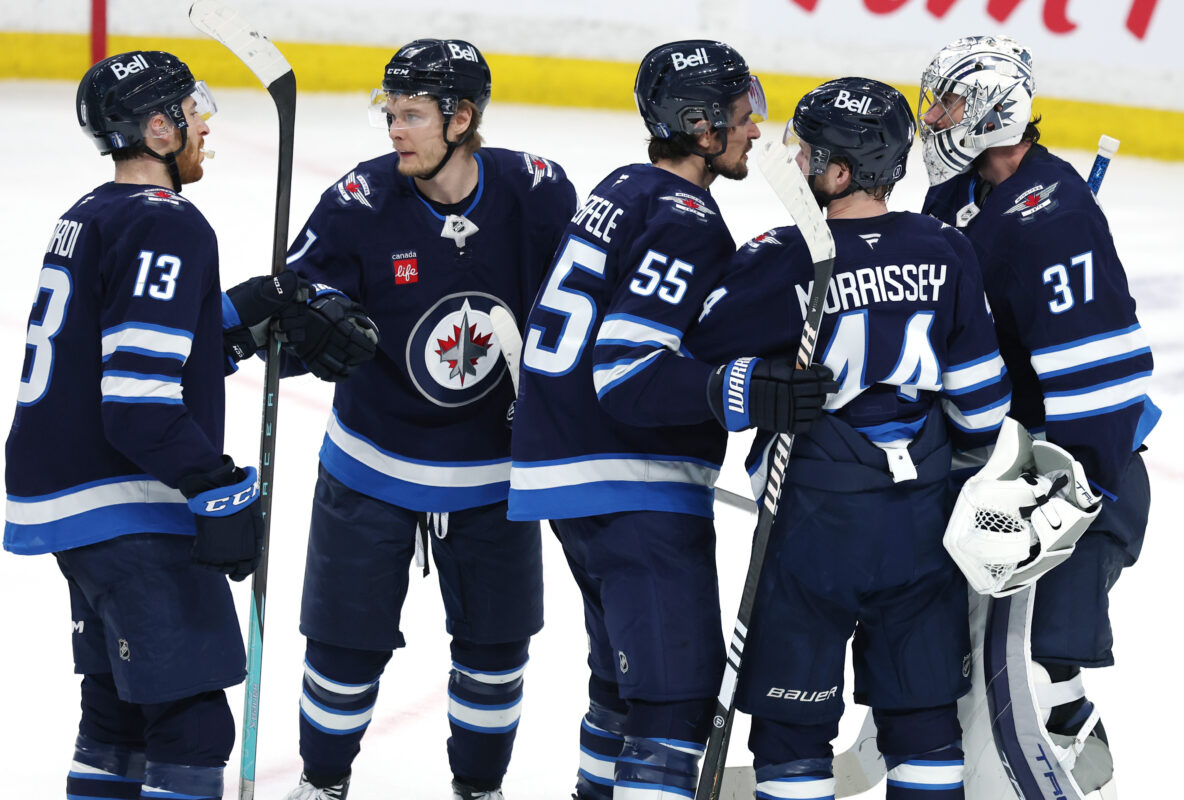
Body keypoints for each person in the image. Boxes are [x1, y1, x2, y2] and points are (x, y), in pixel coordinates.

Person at [508, 40, 835, 799]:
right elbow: (629, 374)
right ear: (699, 125)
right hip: (630, 483)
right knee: (672, 704)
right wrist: (753, 388)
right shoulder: (685, 220)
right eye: (742, 114)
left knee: (622, 689)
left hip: (572, 474)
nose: (756, 129)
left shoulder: (624, 187)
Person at [682, 77, 1012, 800]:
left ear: (837, 172)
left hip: (813, 522)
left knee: (792, 729)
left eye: (805, 151)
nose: (793, 161)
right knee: (924, 717)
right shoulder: (946, 249)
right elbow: (984, 405)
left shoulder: (782, 254)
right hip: (921, 522)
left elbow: (695, 361)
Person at [3, 51, 311, 800]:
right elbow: (139, 403)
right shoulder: (167, 223)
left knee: (118, 714)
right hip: (129, 506)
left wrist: (231, 315)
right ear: (158, 129)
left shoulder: (88, 213)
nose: (204, 120)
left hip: (72, 502)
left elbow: (109, 352)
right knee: (190, 724)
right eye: (191, 107)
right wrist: (214, 483)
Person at [279, 39, 577, 800]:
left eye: (412, 115)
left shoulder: (536, 192)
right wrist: (314, 320)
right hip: (373, 463)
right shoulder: (357, 203)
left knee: (496, 649)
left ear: (462, 117)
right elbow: (291, 312)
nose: (395, 131)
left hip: (492, 475)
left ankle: (479, 789)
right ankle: (322, 784)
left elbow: (584, 309)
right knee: (343, 648)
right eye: (391, 114)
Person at [919, 35, 1157, 798]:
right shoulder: (961, 195)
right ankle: (1062, 711)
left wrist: (1074, 490)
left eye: (949, 102)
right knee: (961, 659)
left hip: (1059, 473)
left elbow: (1102, 381)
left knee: (1010, 677)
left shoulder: (1054, 220)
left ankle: (1063, 722)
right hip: (994, 466)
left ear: (993, 110)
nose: (935, 118)